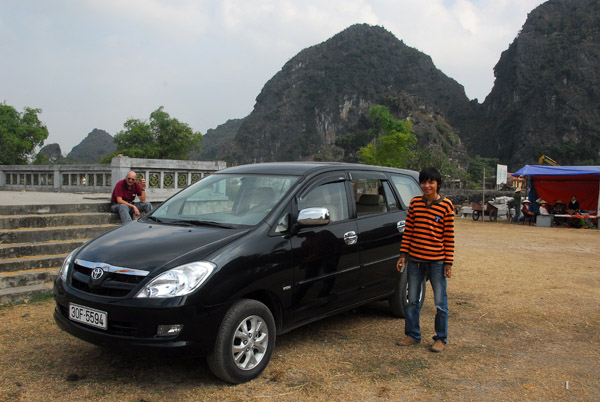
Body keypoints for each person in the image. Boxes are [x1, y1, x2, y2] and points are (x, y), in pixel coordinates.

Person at [395, 167, 454, 353]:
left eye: (431, 182)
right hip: (415, 261)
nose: (427, 186)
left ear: (437, 184)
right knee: (412, 300)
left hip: (436, 262)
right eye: (423, 182)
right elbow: (409, 232)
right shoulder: (415, 204)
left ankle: (440, 338)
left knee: (440, 302)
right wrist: (403, 255)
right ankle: (412, 335)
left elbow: (449, 237)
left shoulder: (446, 206)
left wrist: (448, 263)